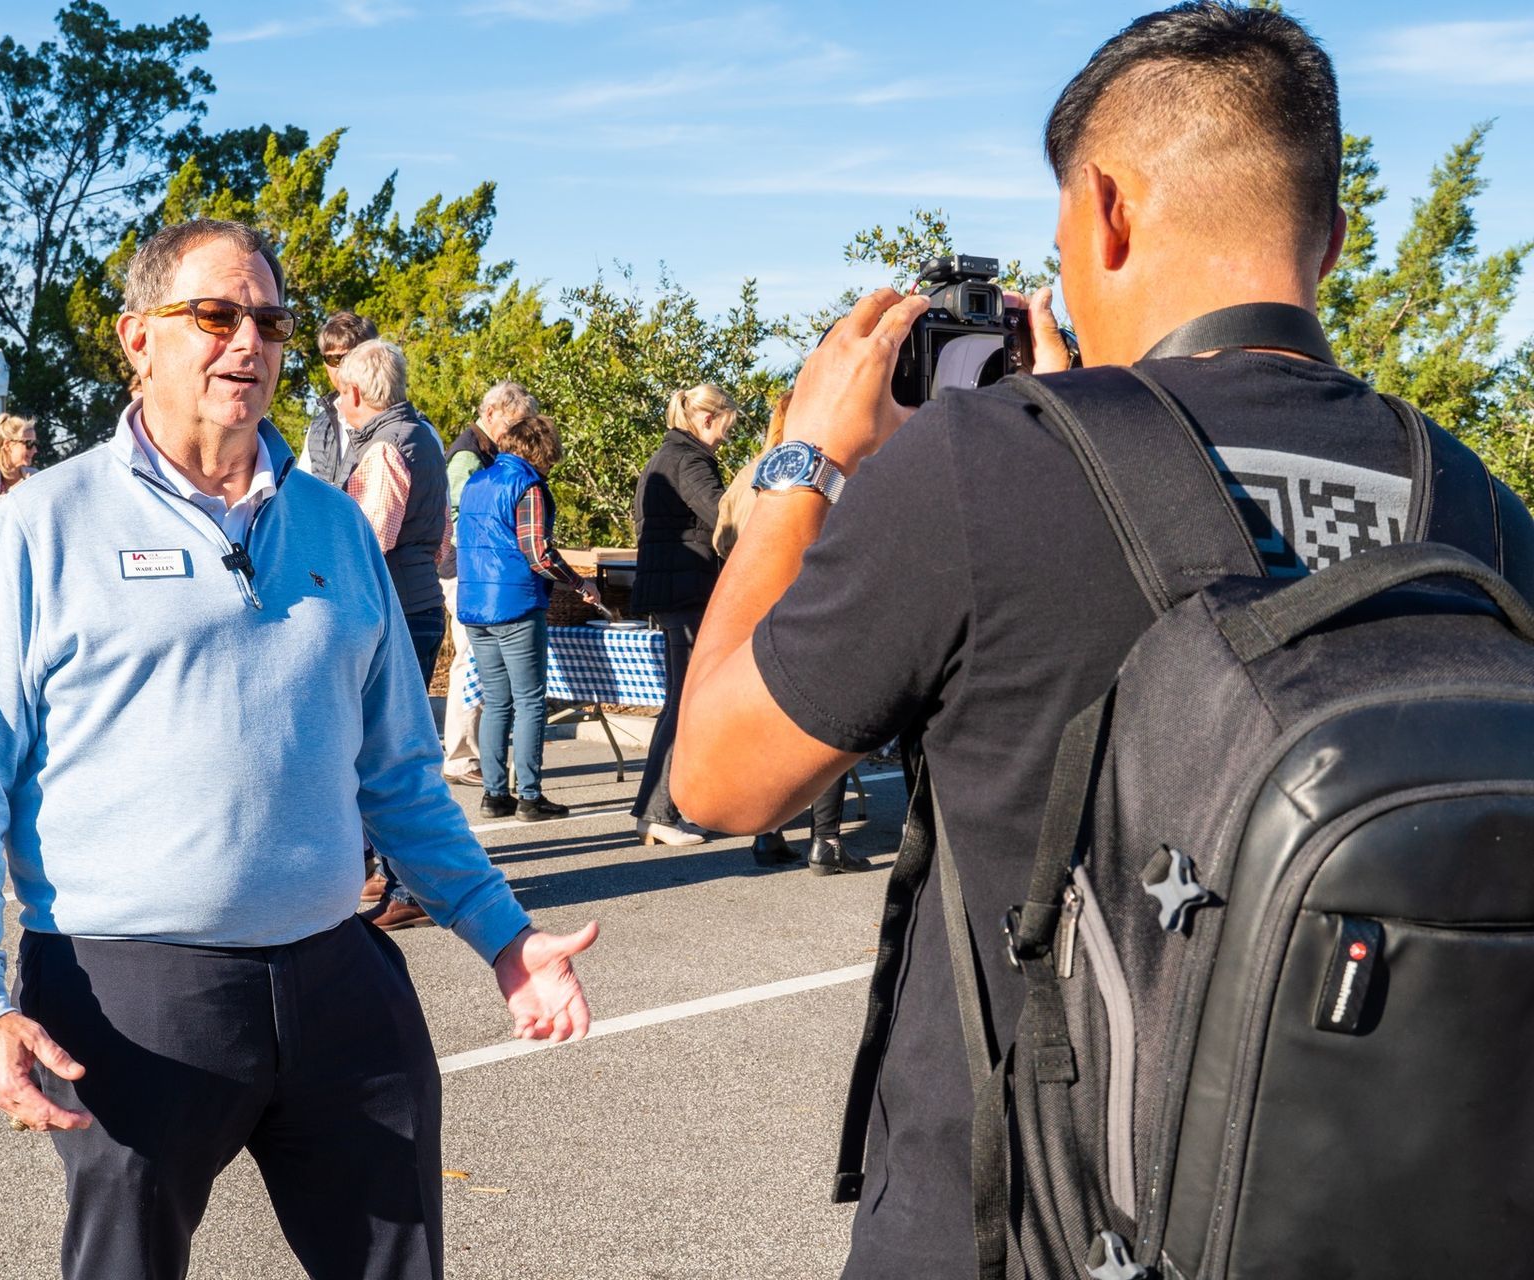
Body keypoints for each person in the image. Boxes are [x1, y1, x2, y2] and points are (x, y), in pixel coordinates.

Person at [670, 5, 1534, 1276]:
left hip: (1022, 1228)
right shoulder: (1477, 505)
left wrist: (806, 458)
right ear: (1333, 238)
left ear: (1111, 211)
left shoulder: (985, 469)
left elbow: (715, 776)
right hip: (1359, 1222)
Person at [0, 216, 596, 1280]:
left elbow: (400, 779)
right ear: (137, 337)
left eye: (269, 320)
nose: (249, 341)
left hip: (337, 977)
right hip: (127, 992)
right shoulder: (43, 527)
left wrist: (504, 935)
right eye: (215, 314)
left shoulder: (331, 525)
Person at [712, 389, 862, 873]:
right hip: (816, 604)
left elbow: (722, 538)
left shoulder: (754, 471)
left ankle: (767, 832)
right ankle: (827, 841)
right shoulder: (829, 471)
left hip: (758, 612)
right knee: (828, 720)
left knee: (769, 722)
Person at [329, 338, 452, 930]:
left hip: (394, 611)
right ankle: (388, 871)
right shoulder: (423, 436)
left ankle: (408, 886)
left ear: (355, 393)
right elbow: (441, 537)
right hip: (420, 600)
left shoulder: (382, 449)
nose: (335, 403)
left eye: (339, 392)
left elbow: (368, 544)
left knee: (384, 753)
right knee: (391, 748)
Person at [455, 412, 601, 824]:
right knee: (530, 700)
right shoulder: (528, 486)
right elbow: (538, 553)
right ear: (543, 449)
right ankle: (531, 796)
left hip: (475, 602)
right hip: (515, 603)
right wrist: (579, 583)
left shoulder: (476, 482)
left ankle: (494, 793)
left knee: (496, 700)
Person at [627, 382, 735, 847]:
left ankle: (660, 810)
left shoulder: (660, 458)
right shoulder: (690, 461)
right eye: (725, 429)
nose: (725, 439)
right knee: (684, 705)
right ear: (707, 419)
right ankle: (658, 813)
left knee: (681, 702)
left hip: (669, 591)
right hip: (688, 592)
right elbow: (724, 517)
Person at [438, 381, 538, 787]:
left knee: (479, 661)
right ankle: (461, 756)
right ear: (493, 412)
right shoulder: (468, 454)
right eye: (514, 424)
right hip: (465, 569)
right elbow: (462, 518)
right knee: (471, 659)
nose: (517, 435)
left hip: (474, 569)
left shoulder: (485, 450)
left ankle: (472, 754)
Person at [304, 311, 379, 482]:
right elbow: (301, 498)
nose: (343, 367)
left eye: (350, 357)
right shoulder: (318, 428)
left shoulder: (401, 426)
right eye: (334, 360)